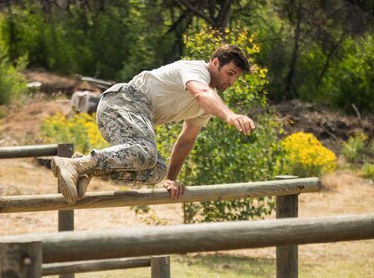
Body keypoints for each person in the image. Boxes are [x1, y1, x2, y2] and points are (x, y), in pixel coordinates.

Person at [52, 44, 256, 204]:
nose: (231, 81)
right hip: (121, 101)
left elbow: (187, 138)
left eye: (236, 77)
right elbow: (201, 93)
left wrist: (171, 178)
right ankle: (72, 164)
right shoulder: (195, 69)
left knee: (156, 170)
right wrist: (230, 116)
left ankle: (85, 166)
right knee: (146, 151)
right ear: (214, 63)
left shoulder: (209, 103)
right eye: (230, 73)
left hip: (133, 116)